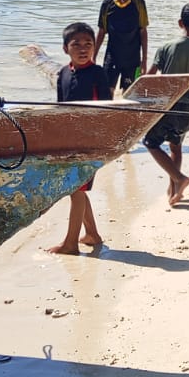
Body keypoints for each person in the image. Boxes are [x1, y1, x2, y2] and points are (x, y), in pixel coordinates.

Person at [47, 21, 114, 255]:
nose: (83, 49)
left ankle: (71, 243)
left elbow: (108, 110)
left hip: (89, 144)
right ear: (65, 48)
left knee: (76, 190)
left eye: (88, 44)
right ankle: (92, 234)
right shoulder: (63, 74)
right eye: (76, 44)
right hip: (69, 142)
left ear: (95, 46)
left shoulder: (98, 74)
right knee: (77, 189)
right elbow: (60, 110)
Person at [142, 2, 189, 207]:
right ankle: (174, 191)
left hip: (168, 106)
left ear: (180, 23)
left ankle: (179, 178)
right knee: (176, 146)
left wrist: (142, 102)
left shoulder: (166, 47)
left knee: (150, 142)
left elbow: (149, 78)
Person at [93, 0, 149, 91]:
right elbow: (101, 32)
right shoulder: (107, 4)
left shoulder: (139, 3)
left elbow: (143, 31)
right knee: (107, 92)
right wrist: (93, 56)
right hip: (112, 56)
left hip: (133, 58)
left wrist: (144, 60)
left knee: (129, 93)